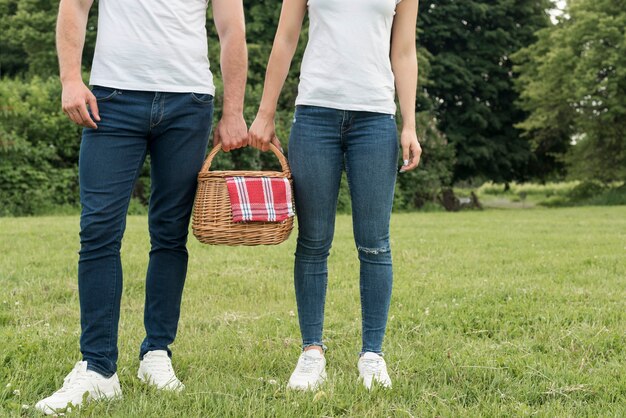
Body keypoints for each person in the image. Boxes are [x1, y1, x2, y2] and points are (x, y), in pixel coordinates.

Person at [36, 0, 248, 414]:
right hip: (112, 99)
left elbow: (232, 30)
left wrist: (234, 110)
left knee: (170, 234)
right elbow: (74, 6)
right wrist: (70, 80)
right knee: (98, 230)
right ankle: (98, 369)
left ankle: (157, 354)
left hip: (189, 102)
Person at [248, 0, 421, 391]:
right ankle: (311, 352)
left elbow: (404, 50)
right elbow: (286, 37)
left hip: (376, 119)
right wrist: (265, 112)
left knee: (375, 243)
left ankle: (372, 354)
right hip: (314, 116)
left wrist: (409, 124)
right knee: (313, 240)